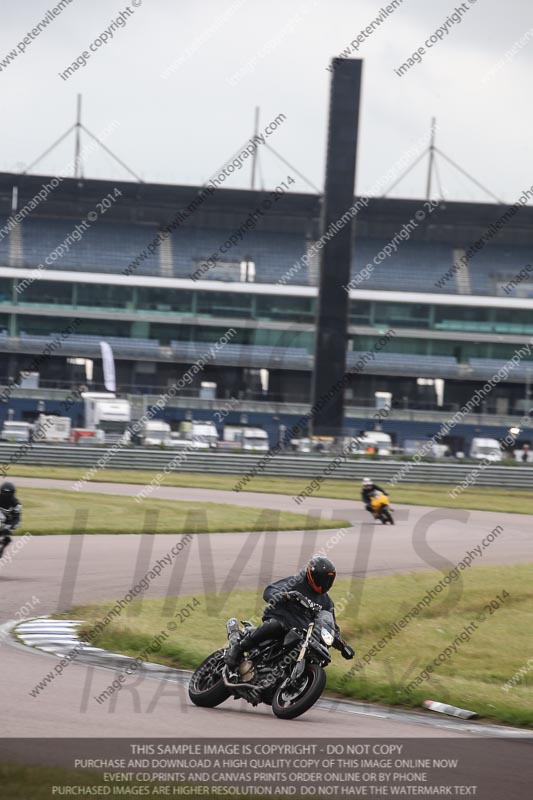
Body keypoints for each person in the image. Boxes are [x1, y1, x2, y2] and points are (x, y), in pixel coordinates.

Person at [224, 556, 354, 668]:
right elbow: (270, 590)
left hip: (302, 632)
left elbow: (331, 625)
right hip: (282, 618)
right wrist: (284, 596)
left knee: (320, 653)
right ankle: (238, 649)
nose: (325, 583)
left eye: (328, 580)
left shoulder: (327, 602)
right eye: (322, 579)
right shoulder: (296, 583)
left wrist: (342, 645)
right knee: (276, 625)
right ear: (312, 575)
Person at [0, 481, 22, 558]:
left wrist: (9, 528)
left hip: (8, 522)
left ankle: (4, 541)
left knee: (15, 525)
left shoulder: (16, 504)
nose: (6, 496)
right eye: (4, 493)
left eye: (8, 494)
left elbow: (17, 519)